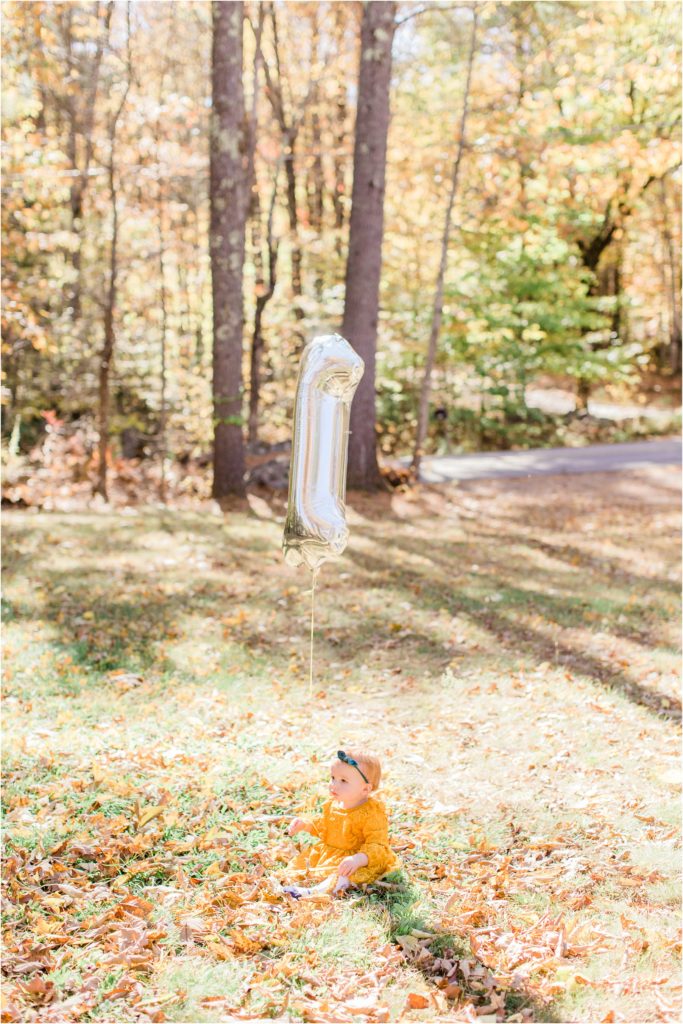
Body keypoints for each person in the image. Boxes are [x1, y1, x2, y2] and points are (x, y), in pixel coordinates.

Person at [282, 748, 398, 899]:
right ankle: (289, 885)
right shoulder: (334, 805)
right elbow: (325, 827)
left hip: (359, 859)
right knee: (303, 865)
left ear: (365, 789)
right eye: (332, 778)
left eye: (343, 781)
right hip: (334, 854)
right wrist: (305, 824)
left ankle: (314, 892)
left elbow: (378, 845)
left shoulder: (372, 813)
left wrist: (358, 859)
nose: (334, 785)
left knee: (344, 874)